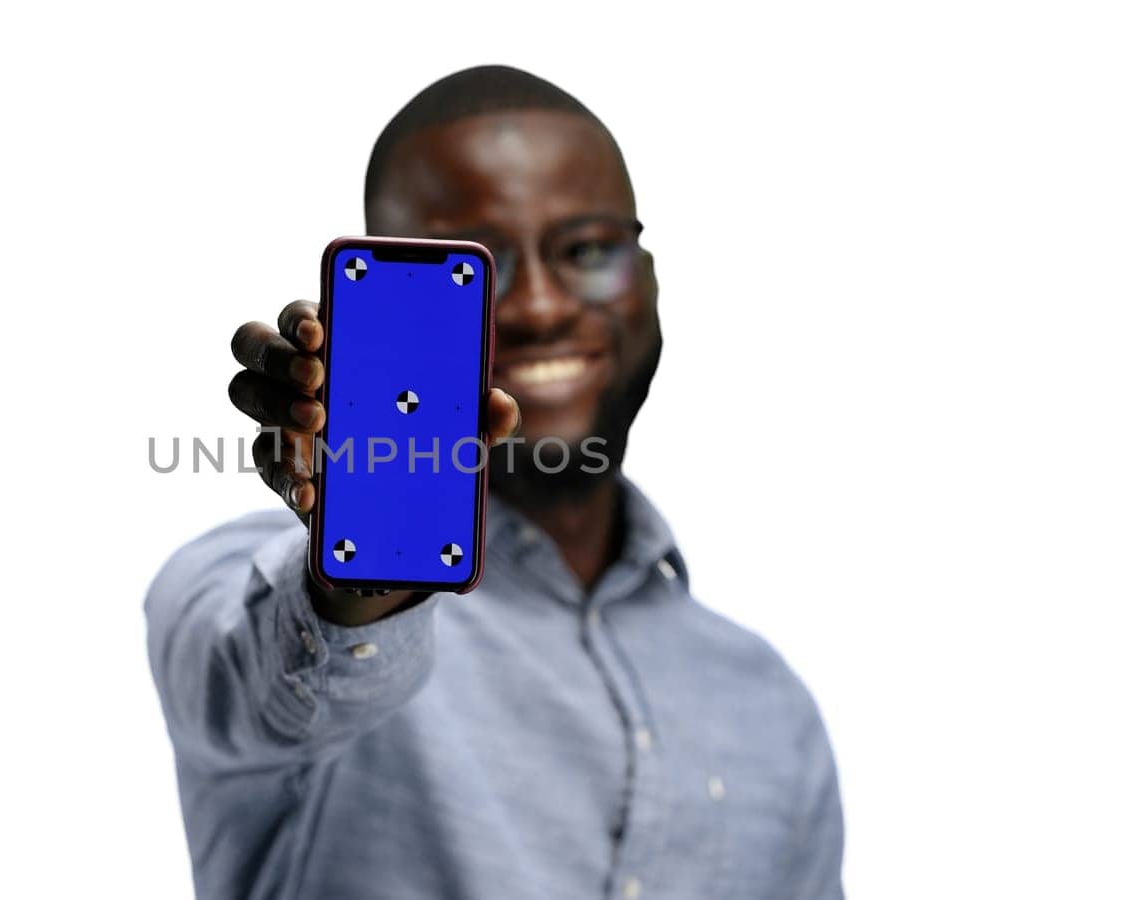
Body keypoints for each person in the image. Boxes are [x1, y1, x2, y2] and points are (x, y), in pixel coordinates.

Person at [145, 65, 844, 900]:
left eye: (586, 249)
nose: (542, 307)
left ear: (649, 277)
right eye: (475, 267)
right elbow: (263, 680)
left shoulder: (769, 702)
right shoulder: (236, 583)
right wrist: (362, 586)